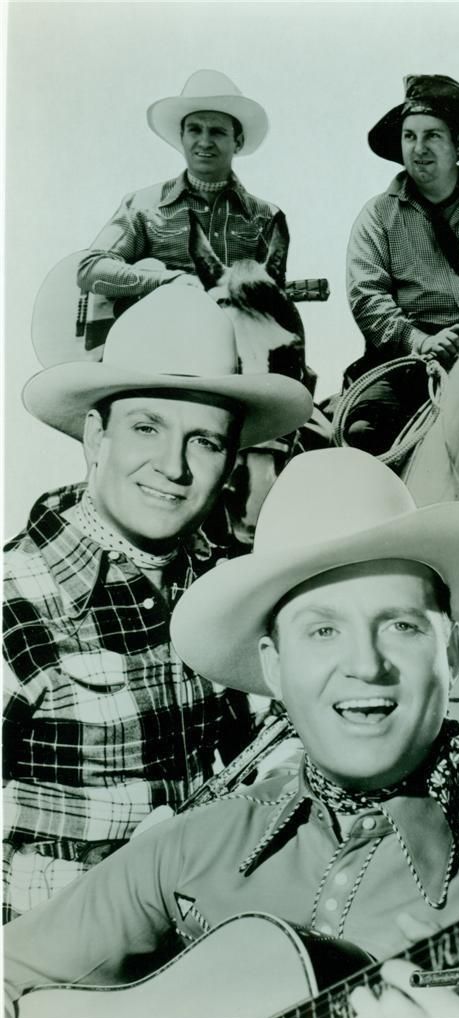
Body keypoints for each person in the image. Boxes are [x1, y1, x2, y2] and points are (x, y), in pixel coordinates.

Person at [3, 447, 459, 1018]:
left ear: (450, 652)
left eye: (402, 625)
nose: (366, 665)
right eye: (323, 629)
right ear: (274, 666)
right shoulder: (190, 847)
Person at [2, 286, 312, 921]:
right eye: (148, 428)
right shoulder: (12, 598)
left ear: (230, 464)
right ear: (96, 436)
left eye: (203, 441)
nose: (173, 466)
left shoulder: (234, 593)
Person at [345, 74, 459, 452]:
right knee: (364, 433)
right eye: (410, 136)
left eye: (432, 136)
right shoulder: (378, 214)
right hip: (409, 362)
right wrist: (423, 341)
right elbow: (367, 297)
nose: (419, 148)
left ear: (458, 143)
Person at [76, 70, 289, 305]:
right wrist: (170, 281)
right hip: (152, 337)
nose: (204, 142)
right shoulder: (143, 206)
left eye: (217, 132)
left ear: (237, 142)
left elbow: (270, 302)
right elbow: (90, 269)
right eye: (195, 130)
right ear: (182, 137)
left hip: (232, 339)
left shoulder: (266, 217)